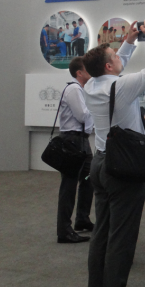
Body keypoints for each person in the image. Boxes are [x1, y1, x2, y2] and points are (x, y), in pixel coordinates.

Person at [83, 19, 145, 287]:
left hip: (100, 163)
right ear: (108, 66)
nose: (119, 57)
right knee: (122, 238)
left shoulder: (92, 84)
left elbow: (116, 64)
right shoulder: (121, 87)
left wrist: (129, 41)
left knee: (101, 235)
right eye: (115, 56)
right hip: (122, 170)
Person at [56, 57, 95, 244]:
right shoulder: (73, 89)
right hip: (73, 140)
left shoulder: (81, 89)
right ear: (79, 73)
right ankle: (64, 231)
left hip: (81, 140)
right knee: (69, 186)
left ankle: (82, 219)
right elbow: (82, 115)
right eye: (88, 68)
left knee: (88, 180)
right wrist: (98, 111)